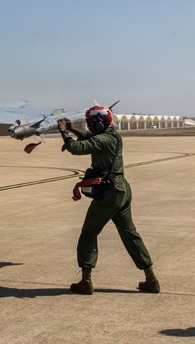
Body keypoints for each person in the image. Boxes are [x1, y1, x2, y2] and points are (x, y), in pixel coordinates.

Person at [57, 105, 159, 295]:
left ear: (99, 122)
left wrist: (64, 133)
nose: (89, 126)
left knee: (88, 234)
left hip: (109, 194)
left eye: (90, 123)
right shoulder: (113, 136)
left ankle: (85, 281)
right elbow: (89, 138)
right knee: (130, 235)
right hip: (122, 190)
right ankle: (151, 279)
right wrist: (72, 128)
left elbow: (76, 147)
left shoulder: (103, 139)